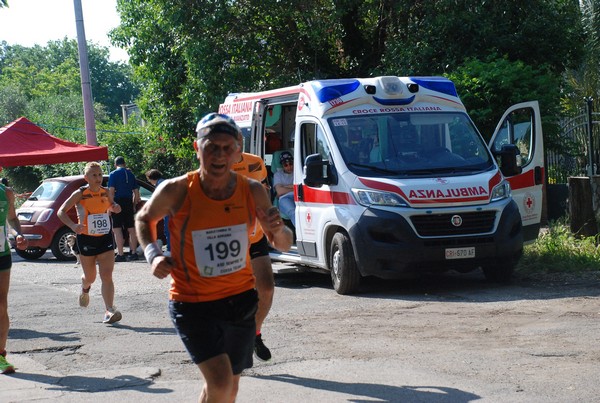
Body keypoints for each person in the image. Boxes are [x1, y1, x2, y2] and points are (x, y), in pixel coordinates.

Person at [135, 113, 292, 402]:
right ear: (198, 148)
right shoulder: (177, 190)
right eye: (212, 147)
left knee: (227, 387)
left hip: (241, 301)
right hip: (193, 304)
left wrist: (278, 228)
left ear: (237, 152)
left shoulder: (253, 191)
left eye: (227, 148)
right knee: (220, 382)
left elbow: (283, 244)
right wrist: (153, 254)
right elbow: (144, 219)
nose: (219, 155)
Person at [58, 162, 123, 324]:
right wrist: (73, 226)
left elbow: (111, 206)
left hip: (105, 238)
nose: (98, 178)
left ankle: (109, 310)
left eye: (100, 174)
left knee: (107, 275)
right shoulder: (79, 194)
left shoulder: (106, 192)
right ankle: (85, 287)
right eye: (94, 175)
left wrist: (115, 208)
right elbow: (61, 211)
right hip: (86, 239)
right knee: (91, 277)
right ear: (86, 177)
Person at [232, 138, 275, 362]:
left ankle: (255, 334)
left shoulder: (256, 162)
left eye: (238, 140)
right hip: (230, 240)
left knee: (266, 288)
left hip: (256, 236)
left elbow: (265, 192)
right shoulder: (216, 167)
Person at [0, 173, 28, 374]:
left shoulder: (6, 193)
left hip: (2, 254)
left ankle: (1, 355)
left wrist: (18, 234)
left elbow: (11, 220)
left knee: (2, 305)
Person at [108, 156, 141, 262]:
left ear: (115, 164)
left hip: (117, 202)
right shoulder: (131, 174)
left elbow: (111, 191)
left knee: (117, 228)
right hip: (128, 202)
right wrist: (134, 205)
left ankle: (121, 254)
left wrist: (110, 205)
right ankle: (133, 252)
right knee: (131, 228)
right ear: (125, 163)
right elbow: (136, 193)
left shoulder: (113, 174)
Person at [145, 169, 170, 254]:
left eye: (149, 180)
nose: (149, 182)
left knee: (168, 230)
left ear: (151, 178)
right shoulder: (164, 182)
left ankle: (170, 249)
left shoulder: (160, 184)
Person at [273, 150, 296, 227]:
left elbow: (302, 187)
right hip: (284, 198)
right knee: (293, 212)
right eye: (286, 165)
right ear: (282, 166)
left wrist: (284, 187)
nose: (289, 167)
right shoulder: (277, 175)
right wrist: (294, 187)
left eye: (291, 164)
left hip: (298, 196)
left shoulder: (298, 172)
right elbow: (279, 191)